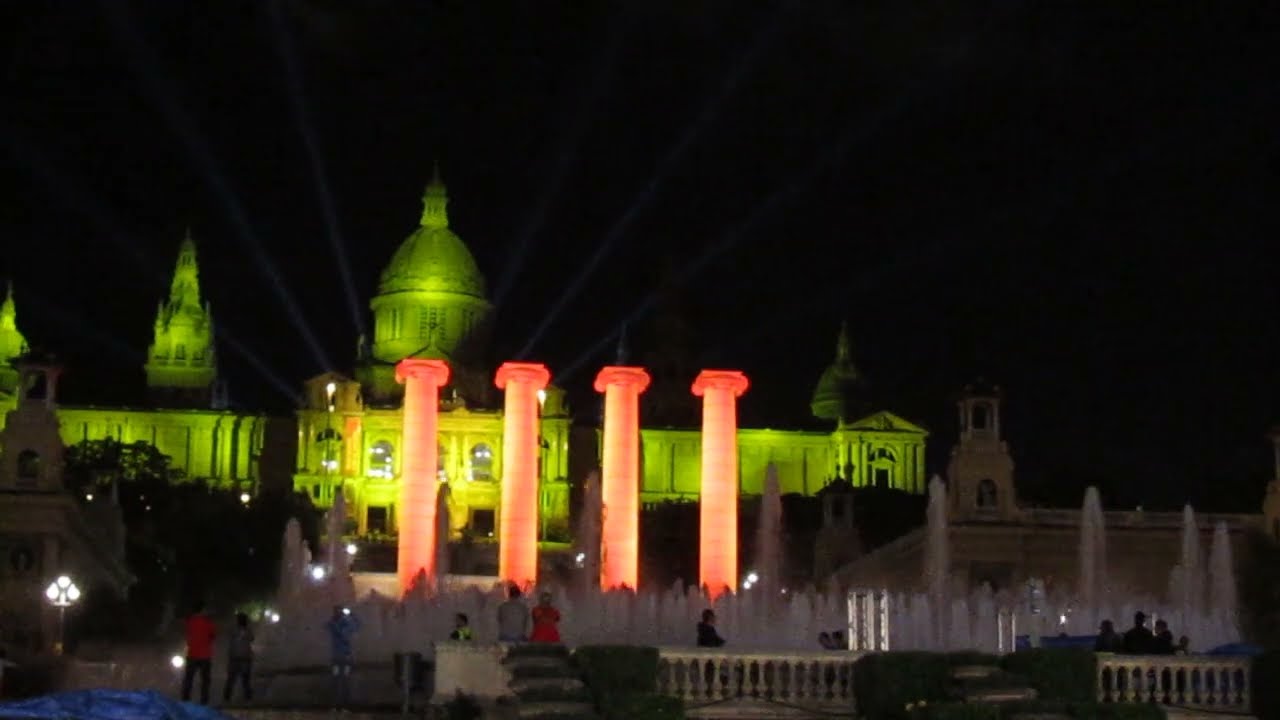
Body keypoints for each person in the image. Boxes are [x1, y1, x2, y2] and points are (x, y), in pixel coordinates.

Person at [326, 606, 361, 710]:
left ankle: (344, 705)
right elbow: (328, 626)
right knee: (337, 681)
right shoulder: (334, 624)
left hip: (344, 658)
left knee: (345, 681)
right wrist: (349, 616)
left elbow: (358, 625)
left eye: (339, 611)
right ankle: (336, 705)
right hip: (338, 658)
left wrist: (351, 615)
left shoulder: (345, 623)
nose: (338, 613)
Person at [181, 602, 216, 704]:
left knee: (189, 679)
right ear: (202, 610)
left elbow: (187, 634)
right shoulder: (208, 622)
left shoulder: (190, 621)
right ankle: (204, 702)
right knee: (205, 681)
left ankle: (185, 701)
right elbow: (213, 636)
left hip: (192, 654)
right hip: (205, 655)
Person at [223, 612, 254, 703]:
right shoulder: (247, 631)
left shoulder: (234, 630)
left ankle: (227, 698)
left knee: (232, 679)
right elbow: (252, 638)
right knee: (244, 680)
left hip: (237, 658)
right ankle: (247, 698)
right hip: (243, 658)